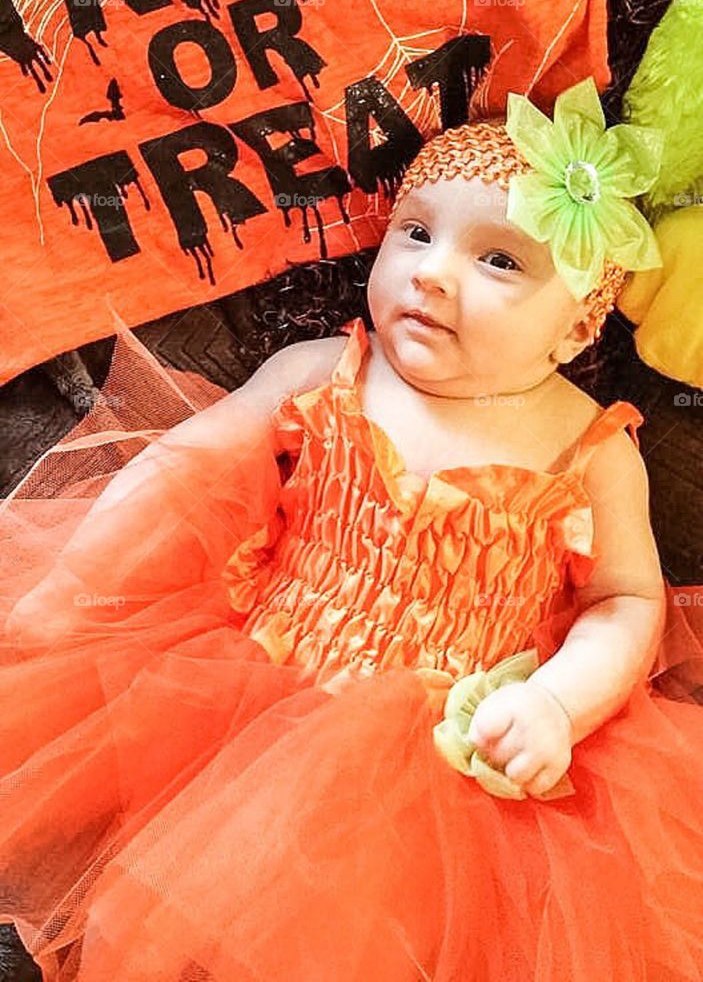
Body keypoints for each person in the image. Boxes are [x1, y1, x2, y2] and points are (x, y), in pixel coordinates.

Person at [1, 78, 702, 981]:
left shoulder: (593, 447)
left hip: (455, 760)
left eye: (499, 261)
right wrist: (82, 580)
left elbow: (624, 598)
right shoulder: (326, 369)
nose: (431, 271)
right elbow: (184, 467)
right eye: (415, 232)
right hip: (244, 706)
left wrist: (559, 705)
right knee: (187, 924)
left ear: (576, 325)